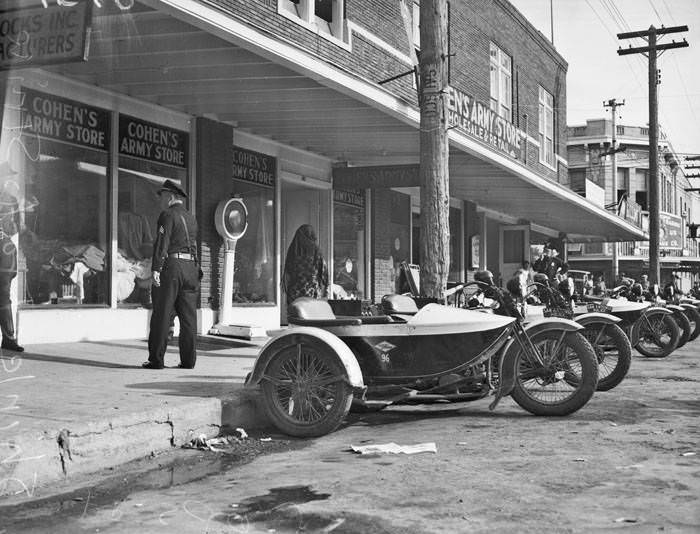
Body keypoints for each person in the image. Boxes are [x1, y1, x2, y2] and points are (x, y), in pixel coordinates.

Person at [144, 180, 199, 370]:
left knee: (162, 313)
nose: (160, 200)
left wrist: (156, 269)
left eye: (162, 196)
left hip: (172, 267)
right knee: (189, 318)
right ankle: (188, 361)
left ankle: (156, 360)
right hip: (190, 267)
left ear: (171, 197)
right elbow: (193, 245)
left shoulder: (167, 215)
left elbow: (162, 243)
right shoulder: (191, 218)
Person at [0, 179, 23, 352]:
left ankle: (9, 338)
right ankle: (8, 339)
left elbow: (15, 228)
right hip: (4, 250)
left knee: (4, 297)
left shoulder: (11, 199)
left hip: (4, 251)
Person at [282, 224, 329, 306]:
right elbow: (323, 271)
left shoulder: (293, 249)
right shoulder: (315, 249)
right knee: (310, 315)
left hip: (294, 292)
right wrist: (325, 288)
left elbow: (288, 272)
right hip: (311, 291)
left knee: (295, 315)